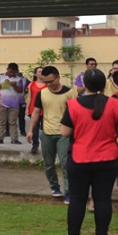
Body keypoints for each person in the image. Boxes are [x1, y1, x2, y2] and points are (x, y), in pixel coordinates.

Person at [59, 68, 118, 235]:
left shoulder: (73, 104)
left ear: (84, 84)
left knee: (78, 199)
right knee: (103, 199)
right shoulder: (114, 103)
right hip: (107, 158)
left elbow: (64, 132)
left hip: (80, 158)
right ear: (104, 84)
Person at [27, 66, 77, 203]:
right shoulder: (42, 94)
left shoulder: (70, 93)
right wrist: (31, 130)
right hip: (46, 132)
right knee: (48, 163)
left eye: (51, 81)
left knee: (66, 164)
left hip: (64, 134)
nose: (49, 84)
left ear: (58, 77)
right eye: (45, 82)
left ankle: (69, 192)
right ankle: (54, 186)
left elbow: (76, 113)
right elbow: (36, 112)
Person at [0, 63, 26, 144]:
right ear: (7, 69)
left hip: (14, 104)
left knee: (13, 122)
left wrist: (14, 86)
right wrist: (4, 84)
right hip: (1, 103)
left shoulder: (18, 79)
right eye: (10, 71)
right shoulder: (0, 76)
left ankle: (14, 139)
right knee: (1, 122)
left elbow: (20, 90)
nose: (11, 74)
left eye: (14, 72)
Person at [27, 67, 45, 154]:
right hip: (34, 109)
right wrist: (27, 108)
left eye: (42, 72)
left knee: (45, 128)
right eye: (39, 72)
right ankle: (35, 145)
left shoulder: (47, 84)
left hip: (45, 109)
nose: (41, 73)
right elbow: (29, 97)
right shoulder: (31, 85)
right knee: (35, 128)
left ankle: (46, 145)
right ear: (35, 74)